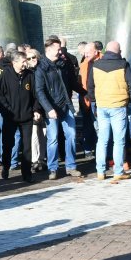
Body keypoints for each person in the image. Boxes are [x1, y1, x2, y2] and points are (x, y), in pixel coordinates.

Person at [88, 41, 131, 181]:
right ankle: (118, 172)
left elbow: (90, 86)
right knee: (119, 141)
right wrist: (130, 100)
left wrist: (94, 101)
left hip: (102, 106)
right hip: (118, 106)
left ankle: (100, 171)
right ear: (118, 51)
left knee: (102, 140)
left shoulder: (95, 65)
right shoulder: (123, 65)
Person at [35, 37, 82, 180]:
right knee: (53, 138)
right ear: (49, 50)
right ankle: (53, 168)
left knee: (72, 135)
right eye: (58, 49)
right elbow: (39, 91)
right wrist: (48, 109)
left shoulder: (64, 64)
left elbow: (72, 83)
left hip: (66, 105)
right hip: (52, 108)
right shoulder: (41, 67)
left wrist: (85, 93)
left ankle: (71, 166)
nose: (60, 51)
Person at [0, 51, 40, 182]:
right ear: (15, 62)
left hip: (26, 117)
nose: (26, 63)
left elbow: (35, 95)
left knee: (27, 147)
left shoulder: (30, 75)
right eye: (23, 61)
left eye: (26, 61)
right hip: (10, 117)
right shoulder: (5, 75)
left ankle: (26, 173)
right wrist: (7, 110)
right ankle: (6, 167)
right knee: (8, 144)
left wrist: (36, 110)